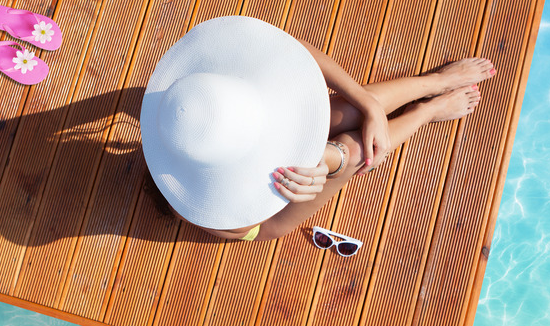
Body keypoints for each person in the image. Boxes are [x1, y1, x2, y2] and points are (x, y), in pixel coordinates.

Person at [140, 16, 495, 243]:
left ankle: (430, 83)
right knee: (350, 153)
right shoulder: (208, 201)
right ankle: (425, 109)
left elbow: (294, 49)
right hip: (268, 216)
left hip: (241, 133)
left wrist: (368, 103)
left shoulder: (191, 102)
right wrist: (326, 167)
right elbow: (262, 217)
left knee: (344, 111)